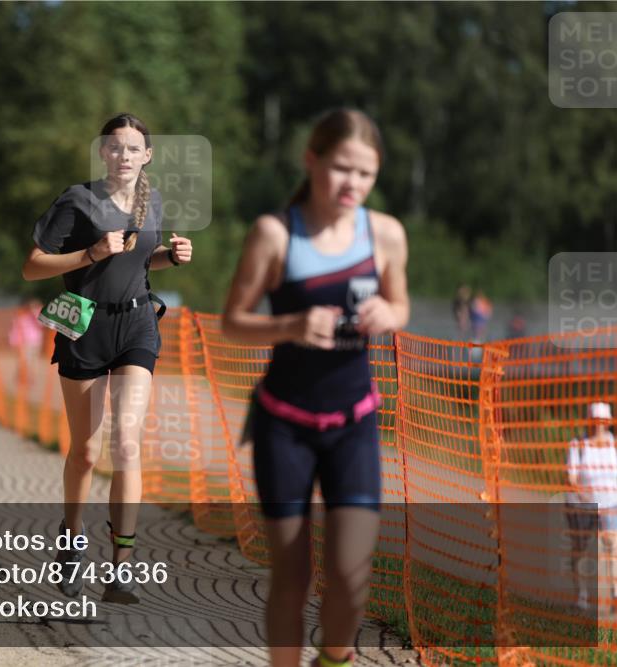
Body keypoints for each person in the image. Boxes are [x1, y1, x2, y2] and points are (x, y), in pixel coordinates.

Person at [221, 109, 409, 667]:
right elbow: (232, 320)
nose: (352, 184)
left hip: (354, 424)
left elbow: (401, 303)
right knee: (292, 574)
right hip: (285, 425)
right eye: (341, 168)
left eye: (366, 174)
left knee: (353, 577)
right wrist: (289, 326)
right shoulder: (275, 233)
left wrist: (388, 312)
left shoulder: (386, 234)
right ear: (312, 159)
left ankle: (333, 659)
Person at [22, 113, 192, 604]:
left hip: (137, 323)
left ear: (147, 155)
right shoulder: (77, 200)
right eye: (114, 147)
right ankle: (72, 543)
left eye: (133, 148)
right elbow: (32, 266)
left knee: (128, 444)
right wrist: (90, 253)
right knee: (87, 452)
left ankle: (122, 566)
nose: (123, 156)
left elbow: (144, 257)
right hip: (85, 326)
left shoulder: (152, 200)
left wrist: (170, 256)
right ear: (102, 152)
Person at [566, 401, 617, 612]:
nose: (598, 425)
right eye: (595, 421)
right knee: (581, 549)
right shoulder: (578, 445)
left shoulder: (614, 445)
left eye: (602, 421)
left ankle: (615, 595)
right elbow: (571, 478)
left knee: (613, 549)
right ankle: (582, 596)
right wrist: (585, 496)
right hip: (583, 507)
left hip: (612, 505)